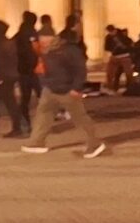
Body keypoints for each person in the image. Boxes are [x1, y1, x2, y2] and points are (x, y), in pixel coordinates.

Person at [23, 30, 108, 158]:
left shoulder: (69, 50)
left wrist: (76, 88)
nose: (42, 41)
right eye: (41, 38)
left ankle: (95, 144)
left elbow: (80, 70)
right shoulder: (46, 51)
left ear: (52, 37)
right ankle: (37, 142)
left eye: (45, 38)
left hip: (67, 90)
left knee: (79, 118)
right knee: (43, 115)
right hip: (50, 89)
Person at [14, 12, 43, 123]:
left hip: (22, 69)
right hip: (32, 69)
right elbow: (36, 49)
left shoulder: (20, 33)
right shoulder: (31, 32)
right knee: (42, 95)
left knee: (25, 98)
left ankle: (25, 121)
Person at [102, 25, 134, 93]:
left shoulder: (121, 35)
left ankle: (130, 88)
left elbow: (129, 43)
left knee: (128, 73)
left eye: (111, 31)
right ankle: (111, 88)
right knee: (110, 73)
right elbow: (106, 47)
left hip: (124, 56)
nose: (110, 33)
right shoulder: (109, 37)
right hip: (115, 56)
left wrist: (123, 47)